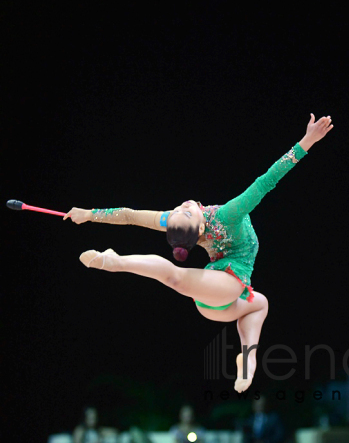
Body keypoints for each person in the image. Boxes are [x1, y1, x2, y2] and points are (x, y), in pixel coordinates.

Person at [64, 114, 333, 392]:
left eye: (180, 210)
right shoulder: (229, 214)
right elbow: (268, 179)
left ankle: (249, 361)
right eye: (184, 211)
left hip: (216, 300)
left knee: (260, 304)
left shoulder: (178, 221)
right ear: (201, 225)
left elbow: (129, 215)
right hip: (225, 283)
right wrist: (307, 141)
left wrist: (88, 214)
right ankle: (114, 261)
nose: (181, 207)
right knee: (176, 278)